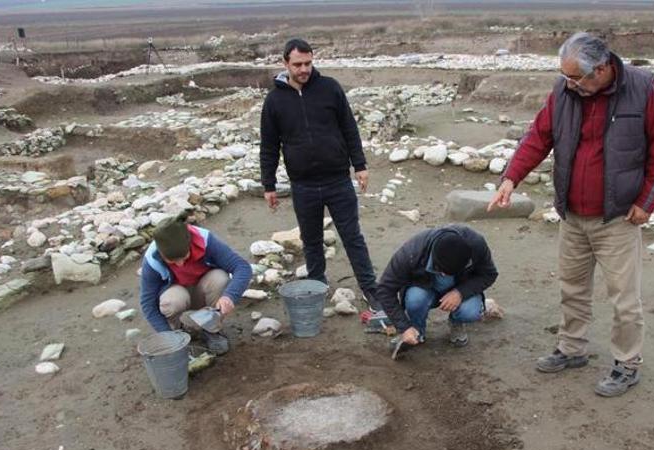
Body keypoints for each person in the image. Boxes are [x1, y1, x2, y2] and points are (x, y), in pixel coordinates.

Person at [488, 32, 654, 397]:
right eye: (565, 76)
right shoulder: (564, 91)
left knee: (624, 298)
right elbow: (538, 137)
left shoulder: (641, 88)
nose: (568, 83)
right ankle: (572, 349)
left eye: (576, 77)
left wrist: (646, 203)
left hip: (618, 217)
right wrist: (510, 178)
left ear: (602, 69)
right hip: (573, 214)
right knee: (572, 287)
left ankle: (626, 364)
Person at [260, 38, 383, 312]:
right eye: (298, 64)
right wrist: (268, 184)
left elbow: (349, 128)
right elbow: (269, 145)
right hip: (303, 185)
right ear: (285, 63)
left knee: (352, 237)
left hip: (338, 180)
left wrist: (360, 165)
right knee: (312, 241)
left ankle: (370, 289)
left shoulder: (330, 88)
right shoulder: (274, 100)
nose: (304, 69)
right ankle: (317, 287)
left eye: (308, 63)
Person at [139, 214, 253, 355]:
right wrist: (167, 335)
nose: (180, 264)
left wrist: (229, 296)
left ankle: (211, 330)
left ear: (190, 243)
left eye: (183, 257)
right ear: (161, 254)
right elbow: (147, 303)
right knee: (170, 302)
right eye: (172, 261)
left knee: (220, 278)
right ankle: (178, 333)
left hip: (203, 289)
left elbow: (242, 267)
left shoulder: (205, 241)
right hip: (178, 294)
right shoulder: (152, 260)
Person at [376, 225, 498, 351]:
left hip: (460, 286)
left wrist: (460, 293)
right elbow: (385, 289)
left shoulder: (476, 244)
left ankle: (456, 323)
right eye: (441, 270)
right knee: (415, 300)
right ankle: (416, 330)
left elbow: (489, 274)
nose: (444, 275)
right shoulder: (411, 253)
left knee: (470, 311)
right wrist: (403, 327)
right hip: (425, 288)